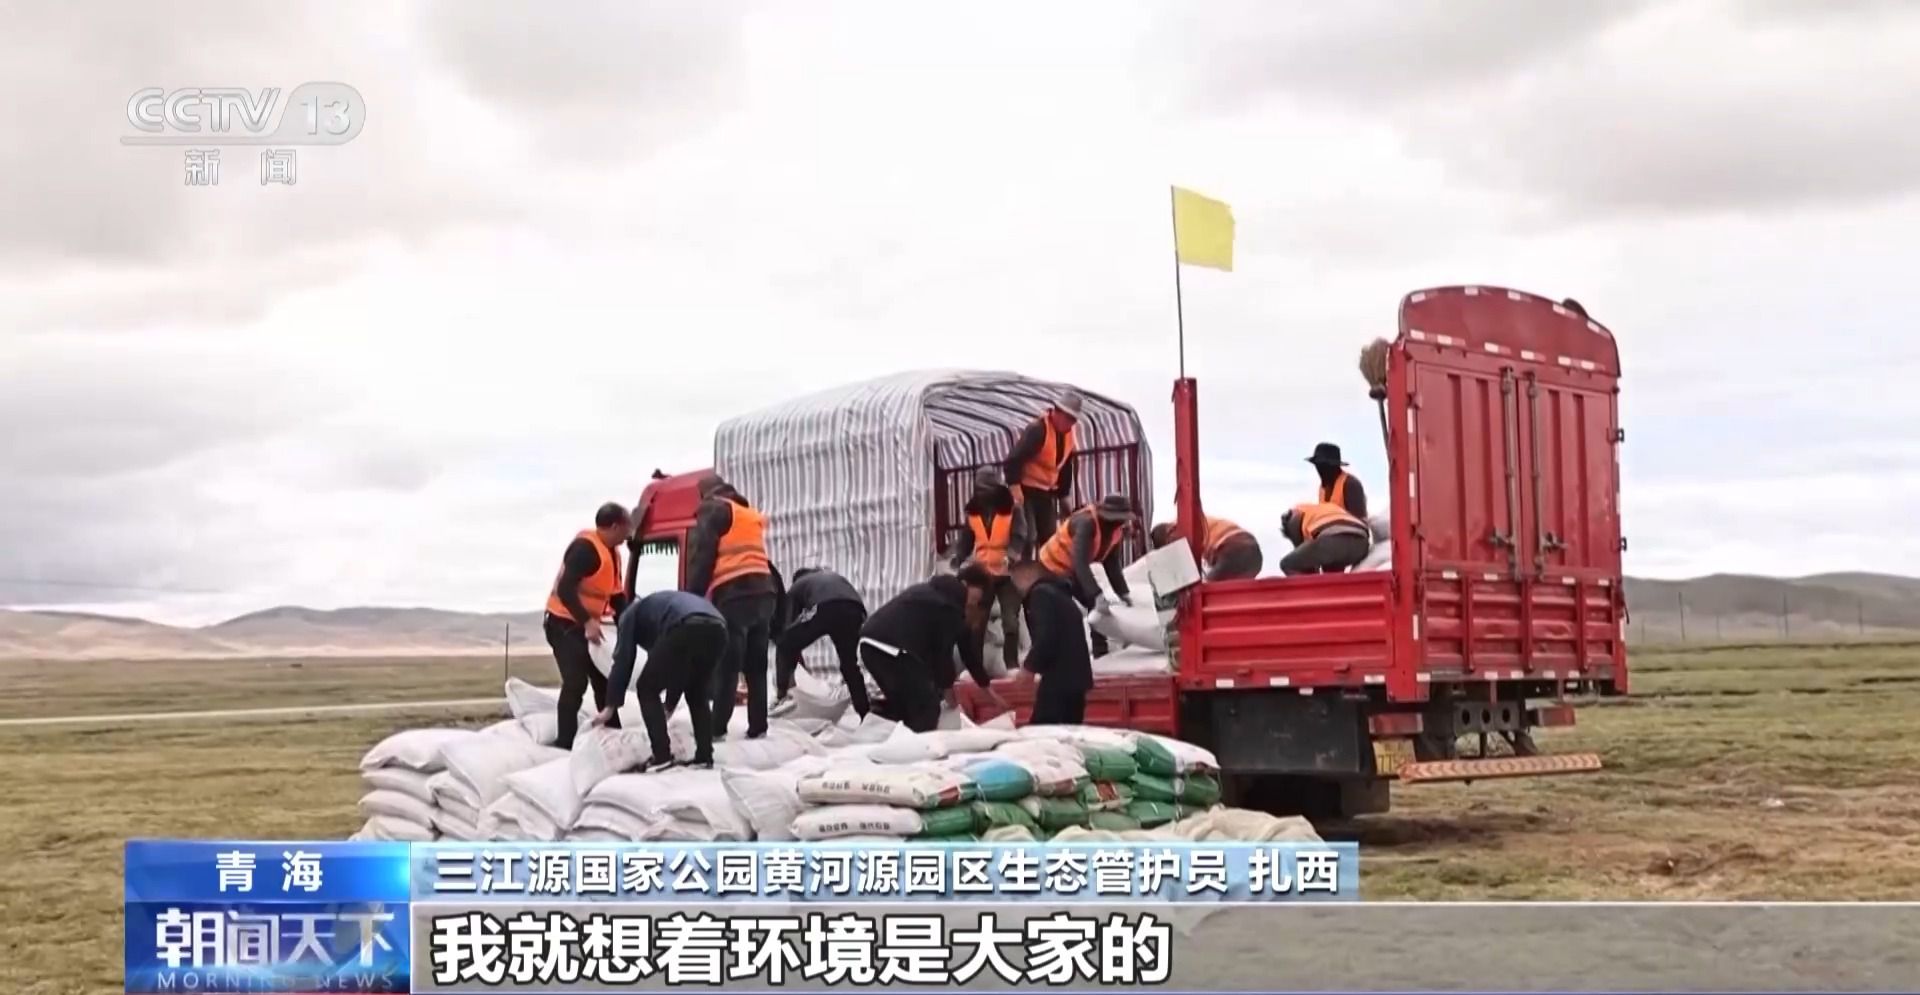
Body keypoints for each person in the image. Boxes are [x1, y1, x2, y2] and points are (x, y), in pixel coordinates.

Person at [681, 473, 778, 741]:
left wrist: (690, 599)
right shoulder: (747, 514)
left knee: (728, 664)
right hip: (764, 592)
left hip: (735, 594)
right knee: (757, 666)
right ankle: (758, 726)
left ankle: (717, 728)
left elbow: (702, 556)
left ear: (705, 494)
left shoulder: (713, 509)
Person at [856, 564, 1009, 732]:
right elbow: (942, 654)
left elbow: (968, 654)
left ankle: (880, 724)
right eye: (979, 593)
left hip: (870, 645)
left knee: (908, 704)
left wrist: (990, 693)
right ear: (965, 584)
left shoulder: (942, 599)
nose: (977, 601)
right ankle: (918, 742)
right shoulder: (949, 605)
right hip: (892, 649)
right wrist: (949, 693)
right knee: (927, 708)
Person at [596, 589, 729, 772]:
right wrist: (670, 705)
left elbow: (623, 660)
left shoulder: (628, 616)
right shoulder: (656, 609)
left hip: (686, 625)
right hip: (718, 629)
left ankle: (661, 757)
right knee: (697, 693)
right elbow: (677, 668)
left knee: (646, 688)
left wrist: (610, 706)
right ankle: (704, 757)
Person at [542, 502, 634, 751]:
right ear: (614, 526)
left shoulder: (613, 553)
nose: (629, 534)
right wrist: (587, 621)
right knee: (575, 682)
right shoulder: (585, 549)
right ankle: (565, 743)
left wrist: (630, 625)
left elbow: (617, 597)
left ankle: (614, 737)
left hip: (586, 624)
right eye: (626, 528)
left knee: (604, 680)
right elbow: (565, 589)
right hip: (562, 622)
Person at [1035, 493, 1137, 658]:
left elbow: (1112, 565)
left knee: (1096, 606)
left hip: (1072, 569)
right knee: (1066, 610)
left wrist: (1123, 593)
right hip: (1051, 567)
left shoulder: (1116, 531)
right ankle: (1056, 657)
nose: (1118, 523)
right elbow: (1080, 563)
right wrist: (1097, 595)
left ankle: (1100, 652)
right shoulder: (1086, 523)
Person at [948, 466, 1024, 671]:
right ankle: (976, 669)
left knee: (1010, 622)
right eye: (980, 489)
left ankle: (1011, 665)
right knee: (977, 623)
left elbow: (1020, 536)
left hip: (1008, 575)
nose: (983, 494)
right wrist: (958, 558)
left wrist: (1012, 555)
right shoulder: (972, 512)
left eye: (987, 489)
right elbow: (966, 540)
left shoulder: (1013, 509)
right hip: (983, 575)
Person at [1008, 561, 1092, 726]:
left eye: (1014, 580)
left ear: (1027, 575)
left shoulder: (1041, 595)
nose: (1015, 588)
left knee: (1042, 732)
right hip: (1076, 681)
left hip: (1058, 680)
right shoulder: (1061, 594)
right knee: (1068, 732)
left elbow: (1046, 636)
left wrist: (1029, 668)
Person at [773, 566, 867, 711]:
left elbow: (788, 627)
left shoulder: (797, 586)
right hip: (855, 609)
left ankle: (782, 697)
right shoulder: (832, 576)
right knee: (850, 665)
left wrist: (791, 660)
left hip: (824, 606)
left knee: (784, 644)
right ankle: (864, 711)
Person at [1003, 391, 1082, 558]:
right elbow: (1013, 459)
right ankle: (1022, 568)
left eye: (1073, 420)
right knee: (1028, 535)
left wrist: (1064, 495)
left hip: (1045, 492)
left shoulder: (1069, 435)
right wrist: (1014, 486)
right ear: (1056, 412)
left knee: (1050, 536)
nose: (1070, 423)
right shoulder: (1038, 430)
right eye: (1068, 418)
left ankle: (1047, 569)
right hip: (1025, 489)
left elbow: (1065, 466)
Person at [1149, 516, 1263, 582]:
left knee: (1205, 589)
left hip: (1235, 548)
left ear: (1170, 531)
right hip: (1253, 555)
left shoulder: (1183, 525)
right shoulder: (1190, 520)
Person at [1279, 501, 1372, 576]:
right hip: (1361, 544)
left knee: (1287, 564)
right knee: (1330, 572)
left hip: (1334, 538)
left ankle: (1312, 593)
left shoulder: (1293, 514)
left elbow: (1303, 557)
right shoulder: (1322, 510)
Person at [1307, 443, 1368, 520]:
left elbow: (1360, 520)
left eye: (1324, 466)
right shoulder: (1322, 488)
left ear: (1334, 466)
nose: (1319, 469)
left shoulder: (1350, 484)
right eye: (1317, 465)